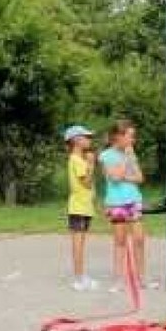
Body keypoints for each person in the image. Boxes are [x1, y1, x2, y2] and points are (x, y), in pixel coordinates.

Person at [98, 121, 158, 293]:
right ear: (119, 136)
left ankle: (143, 278)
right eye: (130, 136)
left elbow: (140, 178)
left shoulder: (131, 154)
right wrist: (126, 161)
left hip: (134, 200)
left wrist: (125, 170)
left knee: (139, 239)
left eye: (133, 136)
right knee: (120, 241)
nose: (133, 140)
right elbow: (115, 178)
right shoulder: (106, 155)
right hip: (116, 203)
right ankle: (118, 280)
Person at [64, 125, 98, 291]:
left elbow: (89, 186)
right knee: (78, 244)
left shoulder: (80, 159)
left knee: (81, 243)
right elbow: (86, 182)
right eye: (87, 137)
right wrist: (91, 164)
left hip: (84, 207)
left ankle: (81, 276)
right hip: (78, 207)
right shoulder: (76, 160)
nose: (89, 140)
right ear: (77, 140)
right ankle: (78, 279)